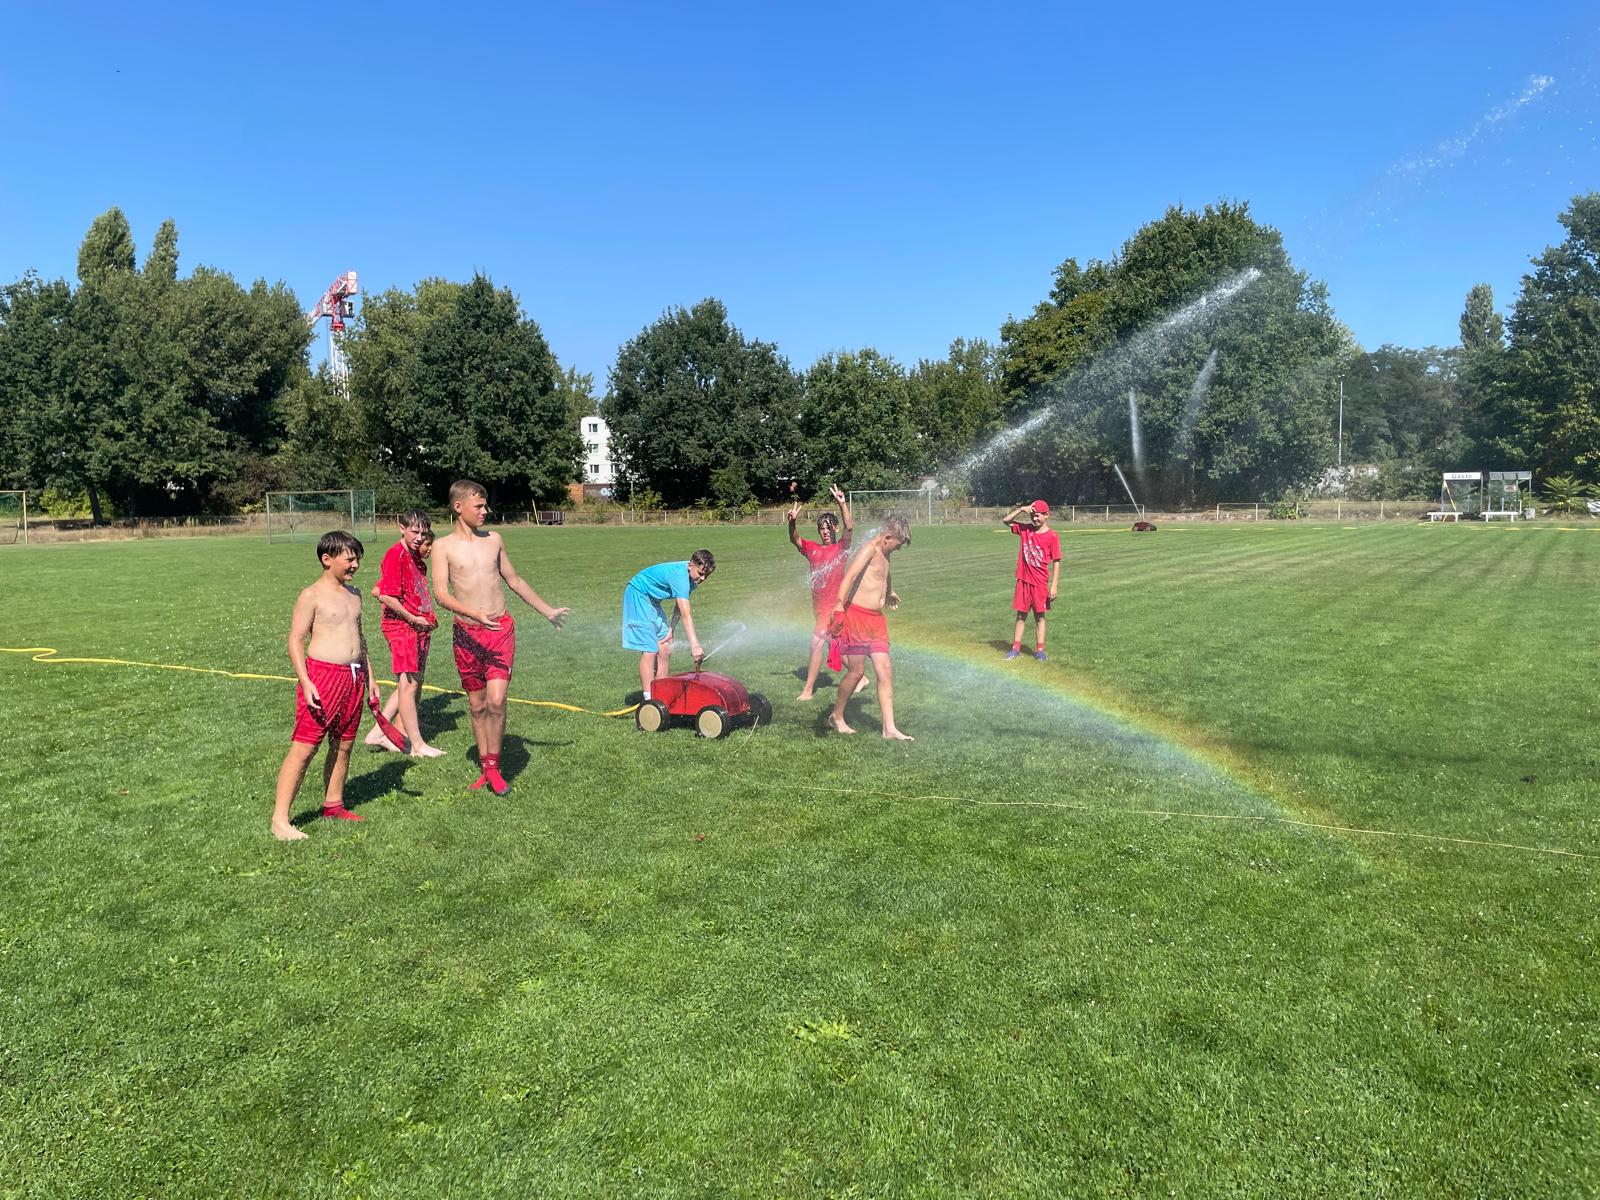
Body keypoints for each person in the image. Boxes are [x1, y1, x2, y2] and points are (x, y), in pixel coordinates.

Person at [431, 481, 570, 795]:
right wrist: (473, 613)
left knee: (496, 700)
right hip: (467, 634)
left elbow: (514, 579)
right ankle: (486, 766)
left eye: (484, 505)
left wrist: (547, 611)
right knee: (478, 706)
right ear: (458, 507)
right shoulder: (443, 547)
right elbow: (440, 595)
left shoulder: (494, 540)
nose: (485, 511)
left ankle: (494, 767)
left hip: (499, 630)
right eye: (478, 506)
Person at [271, 530, 382, 840]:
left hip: (355, 676)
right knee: (305, 748)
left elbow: (360, 638)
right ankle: (280, 820)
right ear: (327, 559)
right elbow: (296, 639)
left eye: (358, 558)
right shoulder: (311, 595)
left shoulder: (356, 594)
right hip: (322, 677)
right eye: (349, 558)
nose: (355, 564)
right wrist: (305, 681)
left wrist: (370, 677)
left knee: (344, 744)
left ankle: (333, 803)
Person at [827, 515, 913, 740]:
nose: (898, 549)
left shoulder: (885, 552)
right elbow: (850, 576)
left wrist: (890, 591)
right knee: (857, 672)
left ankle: (889, 728)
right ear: (887, 537)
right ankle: (836, 716)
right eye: (897, 544)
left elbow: (885, 573)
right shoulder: (869, 549)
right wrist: (838, 604)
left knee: (885, 670)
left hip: (876, 620)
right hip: (856, 617)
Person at [366, 512, 444, 757]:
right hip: (402, 628)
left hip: (418, 627)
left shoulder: (415, 556)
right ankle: (418, 746)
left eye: (423, 533)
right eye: (415, 532)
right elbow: (385, 595)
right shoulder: (395, 554)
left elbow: (383, 586)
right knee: (408, 684)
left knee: (410, 683)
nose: (419, 538)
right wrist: (412, 617)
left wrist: (427, 616)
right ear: (401, 528)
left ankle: (378, 733)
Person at [788, 484, 854, 701]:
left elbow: (850, 528)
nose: (825, 532)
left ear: (835, 529)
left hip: (833, 607)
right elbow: (795, 539)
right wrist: (792, 522)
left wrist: (842, 504)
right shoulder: (812, 549)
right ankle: (858, 676)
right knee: (833, 643)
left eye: (828, 528)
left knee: (816, 642)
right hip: (818, 607)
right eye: (821, 529)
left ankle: (808, 690)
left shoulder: (842, 548)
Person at [622, 550, 716, 698]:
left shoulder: (692, 579)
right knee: (650, 649)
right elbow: (686, 614)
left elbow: (679, 607)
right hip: (638, 594)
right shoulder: (680, 577)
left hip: (652, 600)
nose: (703, 578)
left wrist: (671, 628)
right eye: (700, 573)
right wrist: (695, 645)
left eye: (706, 575)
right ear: (690, 565)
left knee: (665, 647)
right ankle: (650, 701)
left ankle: (661, 694)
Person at [1000, 500, 1061, 661]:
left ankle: (1040, 650)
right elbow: (1006, 521)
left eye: (1038, 515)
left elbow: (1056, 561)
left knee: (1040, 617)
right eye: (1033, 515)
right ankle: (1015, 648)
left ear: (1047, 515)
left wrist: (1053, 586)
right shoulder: (1025, 530)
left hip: (1040, 583)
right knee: (1021, 616)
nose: (1035, 519)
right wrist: (1021, 509)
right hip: (1023, 581)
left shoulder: (1052, 537)